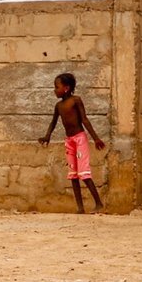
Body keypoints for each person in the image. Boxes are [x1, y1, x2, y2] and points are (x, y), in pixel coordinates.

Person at [38, 72, 106, 212]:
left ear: (66, 88)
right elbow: (53, 122)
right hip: (69, 141)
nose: (54, 90)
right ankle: (80, 208)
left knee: (84, 173)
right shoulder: (58, 106)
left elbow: (84, 120)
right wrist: (47, 136)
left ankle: (99, 204)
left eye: (57, 87)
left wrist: (96, 138)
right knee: (73, 175)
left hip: (80, 139)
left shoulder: (76, 100)